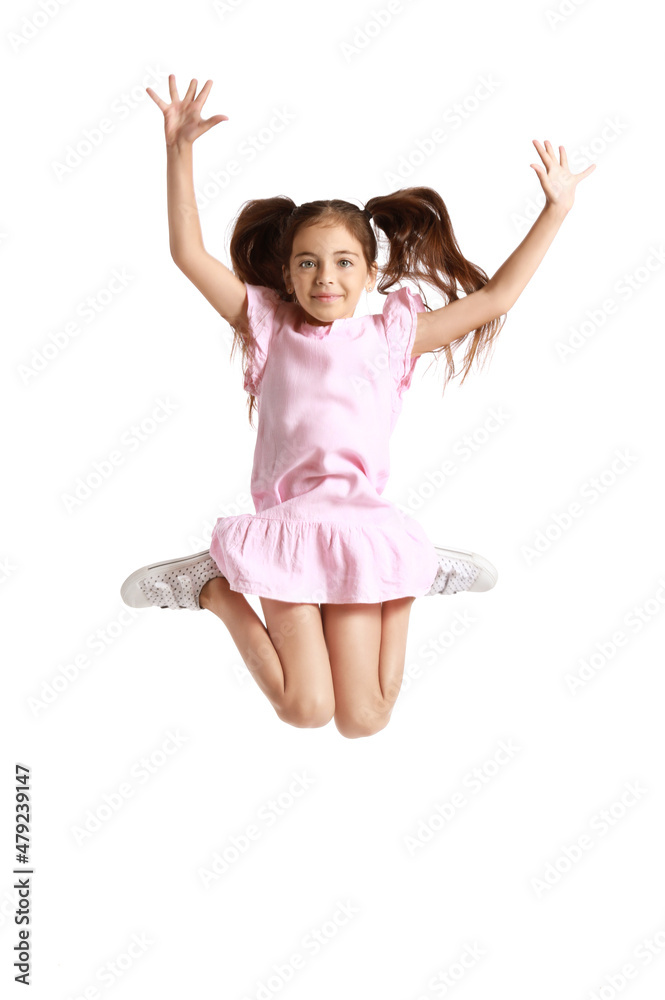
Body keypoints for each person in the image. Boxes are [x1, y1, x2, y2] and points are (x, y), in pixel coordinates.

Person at [121, 75, 595, 740]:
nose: (325, 277)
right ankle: (216, 592)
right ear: (286, 275)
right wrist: (179, 150)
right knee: (303, 709)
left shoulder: (391, 335)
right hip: (288, 527)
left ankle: (414, 569)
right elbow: (187, 253)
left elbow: (493, 300)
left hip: (365, 533)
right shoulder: (267, 325)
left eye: (344, 263)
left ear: (370, 274)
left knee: (364, 720)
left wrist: (555, 210)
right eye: (308, 264)